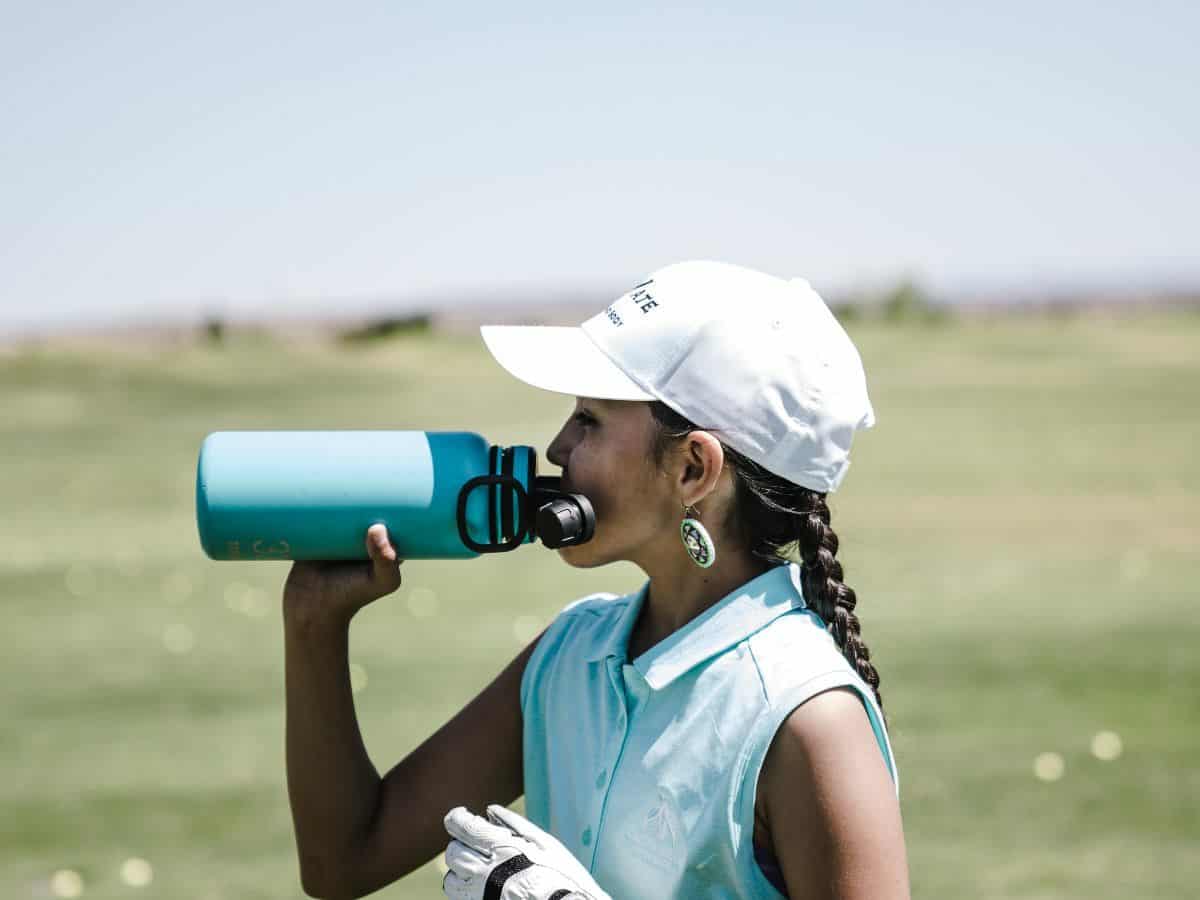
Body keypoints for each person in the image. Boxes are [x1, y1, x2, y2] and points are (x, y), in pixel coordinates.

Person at [282, 261, 911, 899]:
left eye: (589, 419)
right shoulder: (569, 657)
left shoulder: (811, 719)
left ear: (693, 469)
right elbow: (344, 859)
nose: (555, 447)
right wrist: (314, 623)